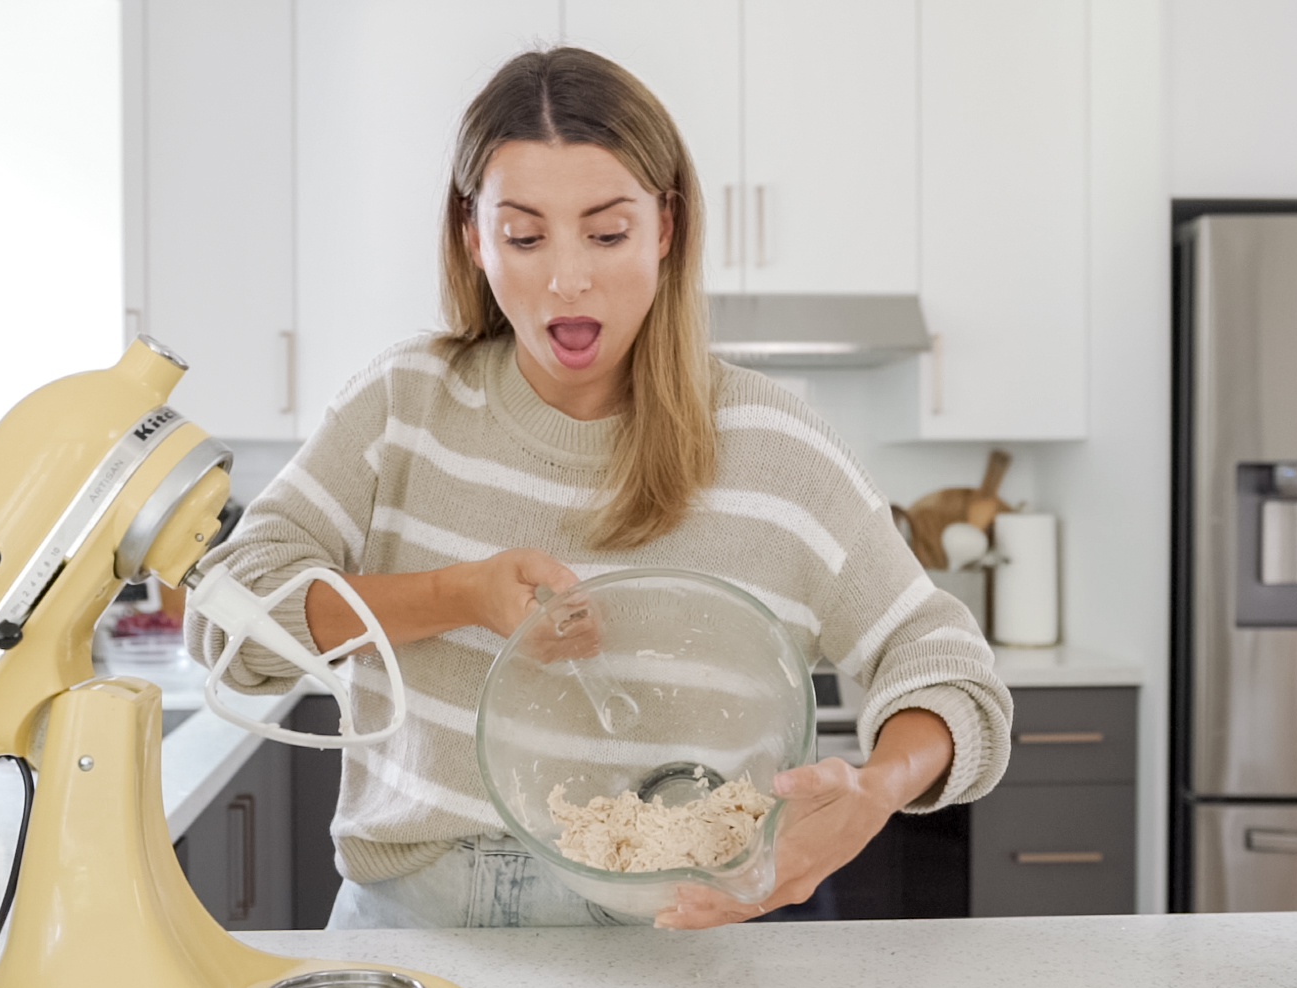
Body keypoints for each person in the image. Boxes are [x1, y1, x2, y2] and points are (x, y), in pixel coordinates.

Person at [186, 46, 1011, 931]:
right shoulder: (402, 407)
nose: (566, 278)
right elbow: (223, 621)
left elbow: (954, 675)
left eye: (608, 233)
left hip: (669, 948)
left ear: (667, 227)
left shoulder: (779, 452)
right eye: (525, 236)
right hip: (410, 936)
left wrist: (876, 789)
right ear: (474, 237)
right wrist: (456, 594)